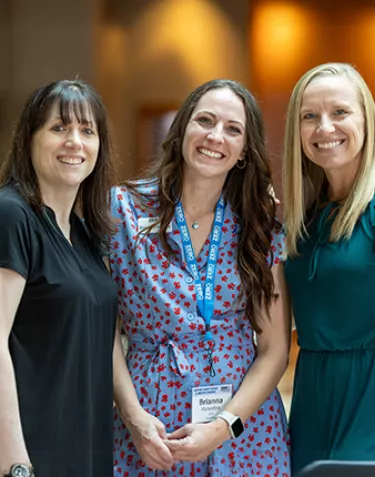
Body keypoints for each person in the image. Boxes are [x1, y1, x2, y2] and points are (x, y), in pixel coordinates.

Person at [110, 79, 291, 476]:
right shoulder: (121, 211)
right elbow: (102, 335)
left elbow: (275, 349)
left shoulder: (260, 229)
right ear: (181, 131)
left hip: (245, 436)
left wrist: (223, 427)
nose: (215, 136)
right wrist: (135, 420)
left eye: (233, 129)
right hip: (152, 438)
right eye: (204, 121)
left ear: (244, 151)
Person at [0, 79, 119, 477]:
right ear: (29, 139)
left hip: (86, 446)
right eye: (59, 128)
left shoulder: (85, 233)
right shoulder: (12, 215)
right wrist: (15, 463)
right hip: (31, 453)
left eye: (87, 131)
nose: (75, 142)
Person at [283, 62, 375, 475]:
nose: (324, 127)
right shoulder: (304, 222)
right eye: (310, 116)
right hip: (311, 401)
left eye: (340, 112)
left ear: (366, 121)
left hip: (367, 401)